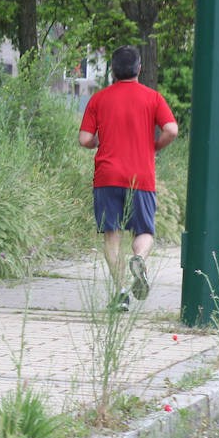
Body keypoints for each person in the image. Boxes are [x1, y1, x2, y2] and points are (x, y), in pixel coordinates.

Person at [78, 45, 178, 309]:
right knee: (144, 231)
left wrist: (99, 142)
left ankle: (121, 293)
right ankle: (140, 260)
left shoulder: (98, 99)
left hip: (107, 176)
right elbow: (171, 129)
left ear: (112, 70)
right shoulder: (153, 97)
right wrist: (154, 145)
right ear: (139, 69)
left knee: (111, 235)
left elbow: (84, 139)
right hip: (141, 176)